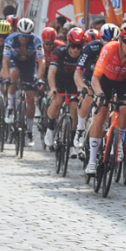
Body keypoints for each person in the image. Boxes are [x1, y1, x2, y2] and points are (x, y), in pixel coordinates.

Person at [85, 23, 126, 176]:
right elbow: (95, 78)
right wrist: (99, 93)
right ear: (120, 40)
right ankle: (92, 161)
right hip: (105, 81)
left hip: (124, 82)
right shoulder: (109, 49)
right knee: (101, 113)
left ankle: (118, 143)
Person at [2, 18, 45, 147]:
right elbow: (5, 60)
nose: (24, 38)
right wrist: (6, 76)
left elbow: (42, 61)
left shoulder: (36, 40)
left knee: (31, 98)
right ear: (17, 32)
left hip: (29, 66)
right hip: (14, 63)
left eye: (27, 36)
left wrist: (40, 78)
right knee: (13, 74)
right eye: (21, 35)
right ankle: (10, 107)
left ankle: (29, 131)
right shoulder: (10, 39)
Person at [74, 23, 118, 149]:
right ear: (100, 39)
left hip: (106, 80)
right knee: (88, 97)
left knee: (106, 109)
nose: (109, 44)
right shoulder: (92, 47)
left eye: (113, 41)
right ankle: (80, 129)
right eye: (106, 41)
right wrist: (81, 86)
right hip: (89, 77)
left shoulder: (120, 50)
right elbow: (78, 72)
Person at [44, 27, 84, 157]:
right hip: (59, 79)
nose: (75, 50)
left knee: (74, 108)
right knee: (57, 101)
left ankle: (72, 143)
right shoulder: (59, 51)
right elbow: (51, 72)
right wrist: (52, 88)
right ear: (68, 43)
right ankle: (50, 128)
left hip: (74, 82)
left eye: (78, 46)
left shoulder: (84, 54)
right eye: (73, 46)